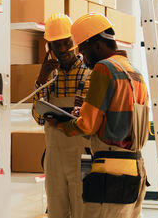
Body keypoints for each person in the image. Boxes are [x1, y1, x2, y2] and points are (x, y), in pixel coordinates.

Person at [46, 13, 150, 218]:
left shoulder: (104, 68)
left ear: (95, 45)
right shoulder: (134, 72)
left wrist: (60, 123)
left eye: (83, 51)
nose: (83, 58)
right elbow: (120, 119)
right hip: (136, 171)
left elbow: (87, 125)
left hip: (110, 172)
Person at [32, 13, 92, 218]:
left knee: (82, 209)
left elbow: (89, 118)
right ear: (50, 48)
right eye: (57, 45)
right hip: (54, 155)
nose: (63, 50)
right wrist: (41, 79)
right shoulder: (49, 77)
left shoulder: (88, 73)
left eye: (67, 43)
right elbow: (39, 118)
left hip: (81, 154)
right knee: (56, 210)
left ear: (75, 42)